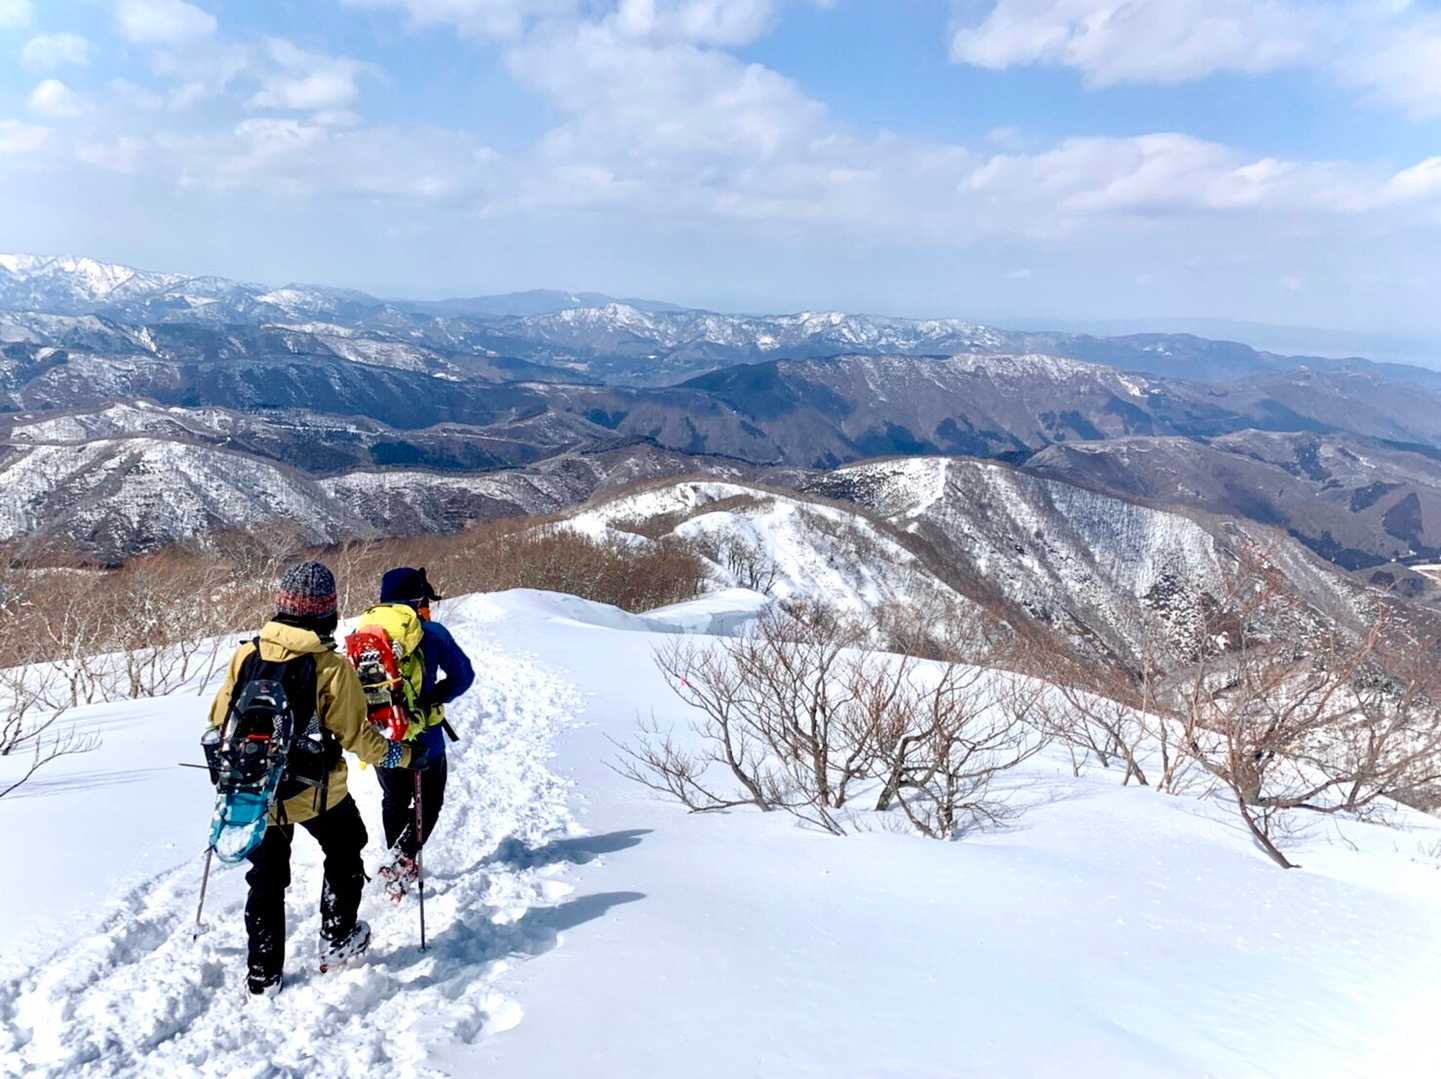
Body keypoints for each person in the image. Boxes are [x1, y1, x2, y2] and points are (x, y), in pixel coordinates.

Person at [208, 561, 423, 997]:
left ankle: (263, 974)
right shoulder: (330, 667)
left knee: (266, 878)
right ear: (327, 611)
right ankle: (338, 936)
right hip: (316, 791)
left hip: (257, 790)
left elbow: (218, 719)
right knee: (346, 848)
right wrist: (403, 755)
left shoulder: (246, 655)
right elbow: (359, 738)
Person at [374, 566, 474, 896]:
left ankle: (395, 862)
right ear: (418, 599)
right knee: (429, 800)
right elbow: (463, 677)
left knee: (394, 799)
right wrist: (437, 694)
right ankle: (403, 857)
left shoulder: (366, 634)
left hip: (382, 733)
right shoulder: (432, 633)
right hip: (425, 735)